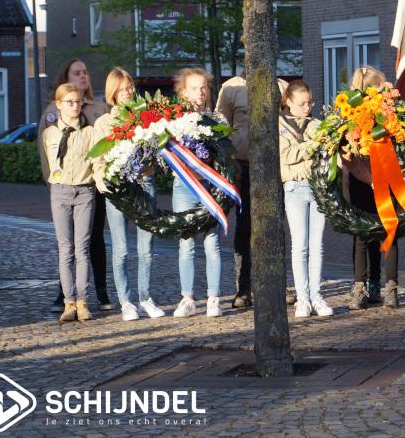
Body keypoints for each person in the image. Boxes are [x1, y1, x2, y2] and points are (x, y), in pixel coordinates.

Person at [39, 59, 113, 313]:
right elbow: (45, 152)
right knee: (65, 245)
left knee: (93, 241)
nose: (83, 76)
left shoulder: (100, 108)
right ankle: (65, 295)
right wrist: (52, 181)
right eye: (76, 72)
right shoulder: (53, 112)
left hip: (91, 185)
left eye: (85, 71)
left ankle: (98, 292)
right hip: (62, 187)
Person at [93, 67, 165, 321]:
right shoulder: (103, 123)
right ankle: (126, 301)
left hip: (144, 184)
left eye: (131, 87)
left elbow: (155, 152)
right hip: (118, 189)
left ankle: (145, 297)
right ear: (113, 92)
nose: (128, 92)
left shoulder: (144, 118)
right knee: (121, 248)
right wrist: (106, 186)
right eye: (123, 89)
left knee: (146, 248)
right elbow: (98, 162)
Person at [215, 75, 290, 308]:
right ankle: (243, 288)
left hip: (272, 167)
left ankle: (277, 284)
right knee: (245, 226)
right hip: (242, 165)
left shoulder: (280, 86)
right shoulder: (230, 89)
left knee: (274, 226)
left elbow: (289, 124)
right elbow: (221, 126)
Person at [42, 83, 98, 322]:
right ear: (59, 104)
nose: (75, 106)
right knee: (65, 249)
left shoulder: (90, 133)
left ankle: (83, 301)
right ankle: (69, 302)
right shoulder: (49, 134)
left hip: (84, 192)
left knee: (82, 249)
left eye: (78, 101)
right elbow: (47, 164)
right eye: (69, 102)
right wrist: (53, 185)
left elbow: (97, 162)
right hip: (60, 192)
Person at [172, 68, 225, 318]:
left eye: (204, 87)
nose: (200, 92)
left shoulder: (217, 120)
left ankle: (214, 297)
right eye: (194, 88)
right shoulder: (173, 122)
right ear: (183, 92)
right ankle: (188, 298)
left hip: (209, 186)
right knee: (186, 244)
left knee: (212, 243)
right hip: (184, 186)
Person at [279, 80, 334, 318]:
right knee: (300, 245)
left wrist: (314, 147)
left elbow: (327, 151)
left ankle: (316, 295)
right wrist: (312, 146)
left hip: (316, 187)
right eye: (302, 103)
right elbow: (287, 155)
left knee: (317, 246)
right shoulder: (279, 126)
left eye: (310, 102)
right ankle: (302, 298)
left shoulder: (317, 124)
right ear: (288, 102)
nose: (307, 107)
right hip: (294, 188)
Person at [345, 66, 398, 309]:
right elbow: (350, 157)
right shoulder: (351, 117)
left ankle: (384, 286)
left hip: (384, 179)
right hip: (364, 181)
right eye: (381, 86)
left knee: (385, 233)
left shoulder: (390, 115)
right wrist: (370, 178)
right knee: (363, 235)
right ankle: (361, 285)